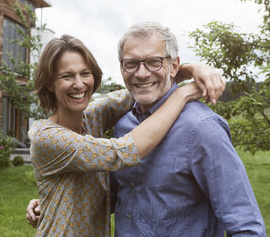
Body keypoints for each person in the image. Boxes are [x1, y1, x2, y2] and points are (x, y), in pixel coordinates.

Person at [27, 34, 225, 236]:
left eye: (85, 73)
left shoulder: (93, 117)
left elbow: (143, 86)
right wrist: (183, 94)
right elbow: (123, 152)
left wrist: (191, 69)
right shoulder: (45, 136)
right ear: (50, 83)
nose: (79, 84)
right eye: (67, 76)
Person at [108, 22, 266, 236]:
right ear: (121, 68)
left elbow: (246, 226)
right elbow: (110, 201)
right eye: (131, 63)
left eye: (154, 62)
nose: (142, 73)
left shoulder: (202, 129)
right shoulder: (122, 126)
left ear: (174, 66)